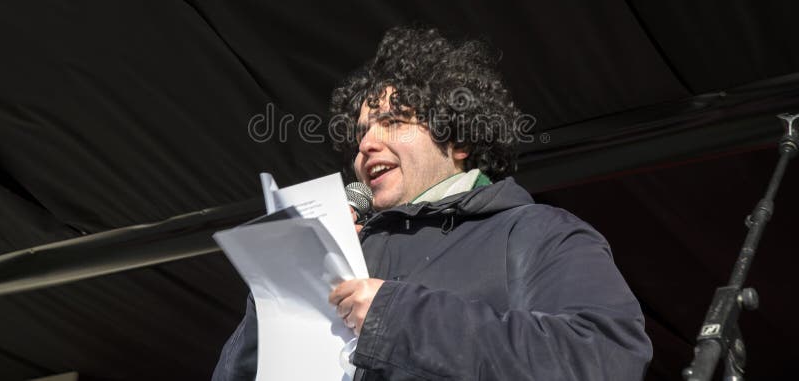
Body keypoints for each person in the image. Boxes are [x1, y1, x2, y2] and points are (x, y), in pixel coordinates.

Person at [213, 27, 652, 380]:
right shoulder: (351, 253)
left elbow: (603, 357)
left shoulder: (537, 233)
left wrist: (397, 317)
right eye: (361, 132)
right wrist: (275, 289)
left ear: (457, 138)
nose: (366, 144)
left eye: (392, 122)